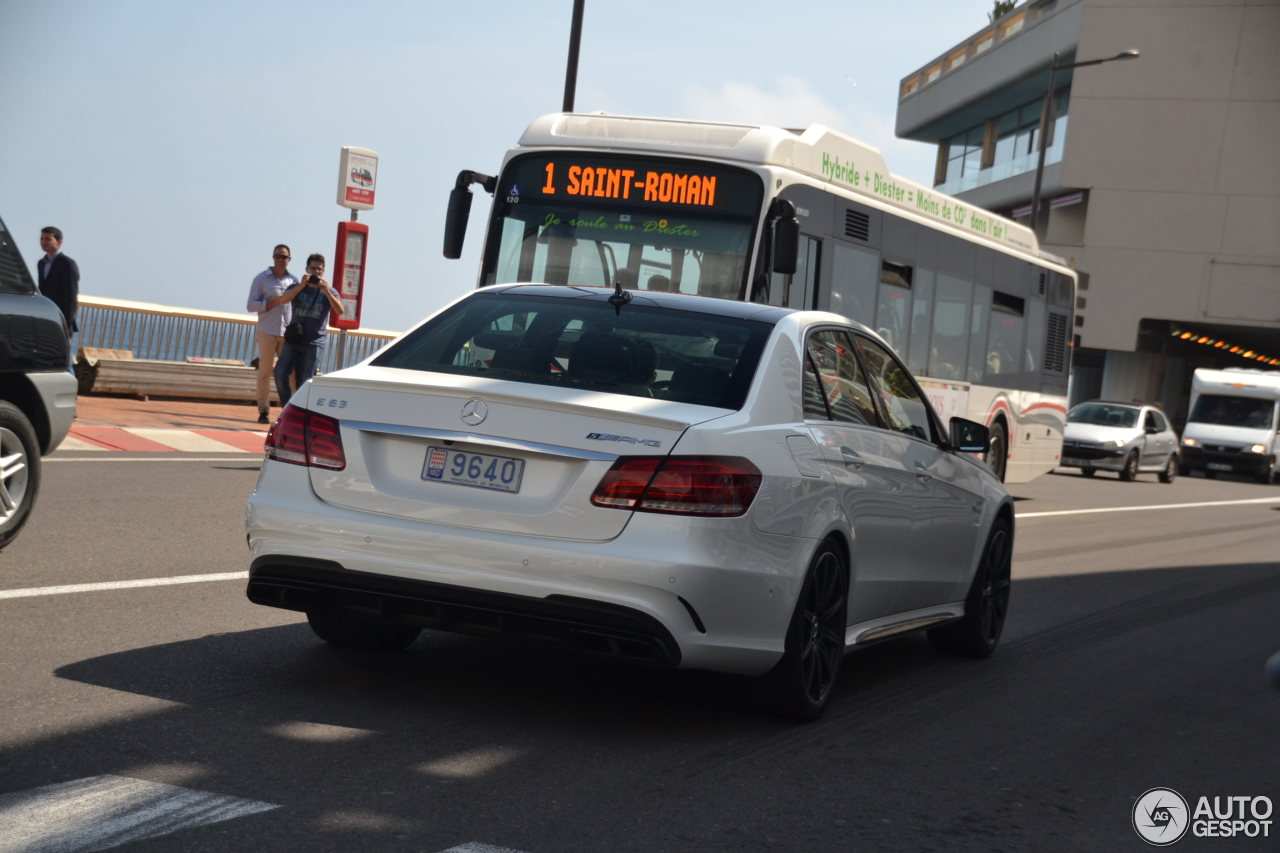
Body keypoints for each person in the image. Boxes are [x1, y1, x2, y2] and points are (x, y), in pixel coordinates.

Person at [273, 253, 343, 406]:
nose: (316, 272)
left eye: (319, 269)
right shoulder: (296, 287)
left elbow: (340, 310)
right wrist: (301, 286)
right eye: (312, 268)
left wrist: (327, 291)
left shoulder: (330, 291)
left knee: (305, 383)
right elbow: (284, 300)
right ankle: (287, 408)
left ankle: (300, 411)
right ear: (307, 269)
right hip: (294, 340)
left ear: (323, 271)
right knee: (279, 374)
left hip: (314, 342)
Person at [247, 245, 298, 423]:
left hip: (287, 333)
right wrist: (270, 303)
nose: (280, 259)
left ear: (289, 259)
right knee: (265, 372)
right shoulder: (261, 279)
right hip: (267, 331)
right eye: (277, 256)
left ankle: (292, 411)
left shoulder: (294, 280)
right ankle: (263, 411)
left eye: (284, 257)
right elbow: (250, 305)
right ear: (273, 257)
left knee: (291, 373)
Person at [37, 227, 79, 372]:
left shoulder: (67, 264)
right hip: (46, 318)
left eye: (48, 239)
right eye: (42, 238)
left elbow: (71, 296)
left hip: (62, 320)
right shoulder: (41, 264)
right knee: (46, 356)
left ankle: (71, 391)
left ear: (59, 241)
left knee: (64, 359)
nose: (43, 242)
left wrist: (67, 323)